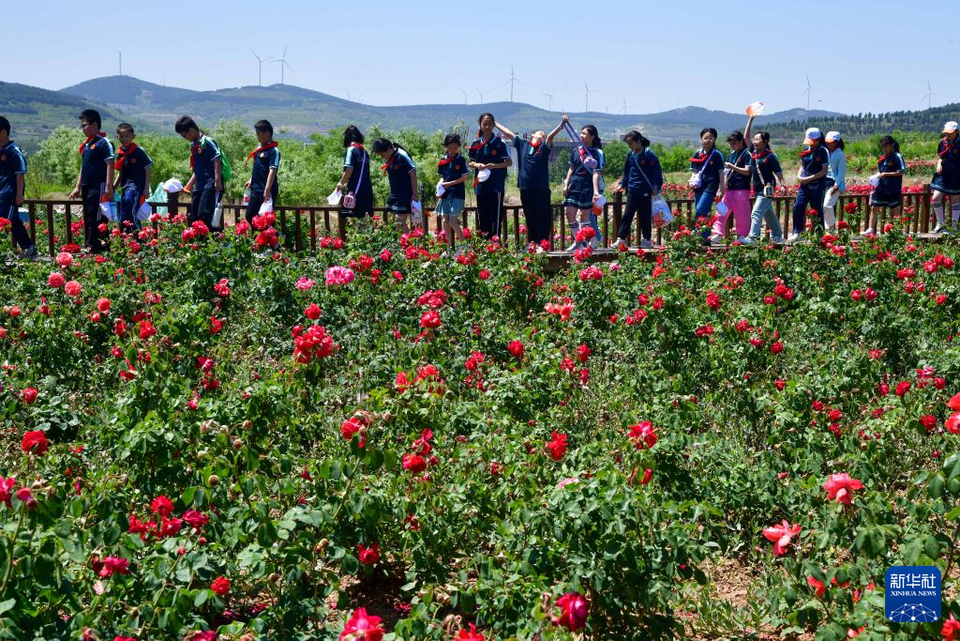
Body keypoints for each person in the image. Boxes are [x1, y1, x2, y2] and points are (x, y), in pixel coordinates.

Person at [495, 116, 564, 249]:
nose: (541, 136)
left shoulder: (543, 148)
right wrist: (495, 123)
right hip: (525, 188)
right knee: (530, 216)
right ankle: (532, 243)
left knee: (542, 216)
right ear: (533, 134)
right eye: (539, 134)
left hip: (541, 189)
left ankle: (542, 243)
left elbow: (550, 137)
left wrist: (560, 126)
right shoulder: (523, 144)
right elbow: (509, 133)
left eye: (542, 136)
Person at [68, 109, 114, 253]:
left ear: (94, 124)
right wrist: (77, 187)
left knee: (98, 217)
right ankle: (93, 246)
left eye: (84, 125)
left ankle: (98, 247)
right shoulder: (88, 145)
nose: (83, 129)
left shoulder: (103, 142)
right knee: (88, 216)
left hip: (99, 185)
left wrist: (108, 186)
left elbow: (110, 163)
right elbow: (84, 167)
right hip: (87, 186)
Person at [611, 130, 662, 250]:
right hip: (632, 189)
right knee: (627, 215)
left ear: (638, 141)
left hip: (645, 190)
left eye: (631, 144)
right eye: (628, 145)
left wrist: (656, 187)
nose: (630, 147)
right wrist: (623, 184)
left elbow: (657, 172)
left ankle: (647, 240)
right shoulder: (631, 155)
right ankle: (620, 239)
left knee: (645, 215)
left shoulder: (649, 155)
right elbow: (627, 172)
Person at [742, 115, 785, 245]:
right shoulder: (753, 153)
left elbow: (778, 172)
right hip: (757, 189)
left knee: (756, 212)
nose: (754, 142)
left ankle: (752, 237)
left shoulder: (771, 156)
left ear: (765, 141)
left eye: (757, 140)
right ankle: (778, 235)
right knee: (768, 213)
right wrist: (750, 120)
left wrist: (783, 185)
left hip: (767, 189)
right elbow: (745, 138)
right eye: (754, 139)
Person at [467, 113, 512, 239]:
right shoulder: (475, 143)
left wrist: (494, 166)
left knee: (495, 216)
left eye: (489, 124)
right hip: (480, 186)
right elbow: (470, 162)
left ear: (493, 125)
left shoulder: (500, 143)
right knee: (482, 215)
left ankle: (495, 243)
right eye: (484, 124)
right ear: (480, 125)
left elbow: (509, 162)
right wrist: (478, 165)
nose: (487, 126)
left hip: (496, 186)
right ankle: (484, 245)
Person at [175, 116, 223, 230]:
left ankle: (218, 240)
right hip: (200, 184)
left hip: (210, 183)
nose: (185, 138)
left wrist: (217, 180)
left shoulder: (207, 141)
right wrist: (189, 185)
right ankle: (200, 243)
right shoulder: (194, 146)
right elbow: (197, 169)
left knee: (204, 215)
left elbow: (217, 159)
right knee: (194, 217)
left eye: (184, 135)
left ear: (191, 130)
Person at [562, 123, 605, 250]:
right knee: (569, 213)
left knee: (585, 217)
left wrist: (596, 191)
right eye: (581, 133)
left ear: (592, 136)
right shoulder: (576, 150)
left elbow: (597, 172)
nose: (581, 135)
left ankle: (583, 244)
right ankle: (578, 240)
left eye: (585, 133)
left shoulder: (597, 153)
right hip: (574, 185)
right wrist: (566, 184)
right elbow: (571, 168)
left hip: (587, 187)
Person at [0, 116, 35, 259]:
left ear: (3, 132)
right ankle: (29, 247)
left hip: (10, 193)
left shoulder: (14, 150)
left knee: (4, 222)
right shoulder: (1, 150)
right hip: (1, 193)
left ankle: (3, 249)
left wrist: (19, 194)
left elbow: (20, 173)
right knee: (13, 221)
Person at [789, 127, 829, 242]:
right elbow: (802, 166)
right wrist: (799, 176)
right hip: (804, 184)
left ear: (818, 140)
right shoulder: (806, 151)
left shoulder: (822, 151)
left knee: (816, 209)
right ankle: (798, 232)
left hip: (817, 184)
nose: (810, 144)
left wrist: (810, 178)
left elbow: (824, 170)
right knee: (798, 206)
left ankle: (819, 234)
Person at [372, 138, 418, 232]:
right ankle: (403, 244)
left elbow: (413, 172)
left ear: (389, 148)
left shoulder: (401, 155)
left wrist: (414, 194)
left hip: (405, 194)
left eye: (382, 154)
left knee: (399, 222)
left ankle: (408, 245)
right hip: (395, 194)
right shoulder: (391, 157)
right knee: (395, 223)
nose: (381, 157)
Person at [113, 123, 152, 232]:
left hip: (136, 187)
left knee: (131, 211)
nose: (124, 139)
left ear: (133, 137)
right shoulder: (120, 153)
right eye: (121, 136)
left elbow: (147, 169)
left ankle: (138, 236)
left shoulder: (138, 151)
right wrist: (113, 188)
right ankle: (125, 235)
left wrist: (146, 189)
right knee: (123, 212)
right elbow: (120, 174)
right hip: (125, 188)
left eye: (127, 136)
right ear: (117, 137)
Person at [688, 128, 724, 244]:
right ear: (701, 139)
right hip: (699, 187)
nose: (708, 140)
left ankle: (696, 233)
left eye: (710, 138)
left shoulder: (717, 155)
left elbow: (721, 173)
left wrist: (722, 188)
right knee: (705, 212)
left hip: (711, 187)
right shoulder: (697, 154)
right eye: (705, 138)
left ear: (714, 140)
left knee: (700, 210)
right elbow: (694, 171)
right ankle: (705, 239)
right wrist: (691, 181)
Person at [435, 133, 470, 253]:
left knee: (452, 220)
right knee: (446, 221)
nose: (452, 150)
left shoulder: (461, 160)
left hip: (456, 193)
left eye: (455, 148)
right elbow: (442, 177)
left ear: (459, 147)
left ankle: (464, 245)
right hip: (445, 194)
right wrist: (439, 187)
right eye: (450, 148)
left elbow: (464, 178)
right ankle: (449, 248)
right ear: (446, 147)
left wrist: (449, 184)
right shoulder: (443, 160)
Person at [715, 130, 752, 243]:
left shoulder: (747, 154)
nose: (732, 145)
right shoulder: (731, 154)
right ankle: (718, 234)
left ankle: (742, 235)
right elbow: (726, 172)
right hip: (729, 189)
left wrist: (733, 167)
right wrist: (722, 187)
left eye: (734, 143)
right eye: (730, 143)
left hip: (742, 188)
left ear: (741, 141)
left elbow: (747, 171)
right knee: (721, 211)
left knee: (742, 214)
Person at [866, 135, 905, 235]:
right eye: (882, 146)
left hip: (893, 188)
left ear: (892, 145)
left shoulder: (897, 156)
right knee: (874, 207)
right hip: (881, 187)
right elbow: (881, 172)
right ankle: (871, 229)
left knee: (895, 209)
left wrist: (885, 174)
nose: (884, 148)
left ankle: (898, 230)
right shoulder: (883, 158)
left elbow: (901, 171)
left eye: (885, 145)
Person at [243, 120, 280, 225]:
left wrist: (267, 190)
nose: (257, 137)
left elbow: (272, 171)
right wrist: (251, 179)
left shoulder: (273, 151)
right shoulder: (259, 150)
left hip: (266, 190)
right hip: (256, 188)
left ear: (267, 134)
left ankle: (270, 238)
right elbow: (257, 167)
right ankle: (258, 239)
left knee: (265, 217)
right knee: (250, 215)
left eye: (259, 134)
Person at [336, 125, 374, 220]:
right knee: (364, 220)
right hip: (367, 189)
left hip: (355, 190)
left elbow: (349, 170)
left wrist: (340, 183)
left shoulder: (350, 150)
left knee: (354, 219)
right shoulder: (365, 152)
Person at [931, 121, 960, 233]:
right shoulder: (942, 143)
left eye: (950, 133)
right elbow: (940, 157)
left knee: (955, 200)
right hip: (943, 174)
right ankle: (941, 224)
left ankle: (954, 226)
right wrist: (939, 164)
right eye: (946, 133)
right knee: (936, 197)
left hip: (956, 174)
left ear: (956, 132)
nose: (947, 135)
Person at [822, 131, 846, 231]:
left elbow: (841, 171)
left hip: (834, 184)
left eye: (830, 142)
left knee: (827, 205)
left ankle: (830, 228)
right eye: (827, 142)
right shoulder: (826, 152)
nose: (827, 144)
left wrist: (836, 186)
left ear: (836, 142)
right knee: (823, 207)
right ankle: (828, 230)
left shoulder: (840, 154)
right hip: (824, 182)